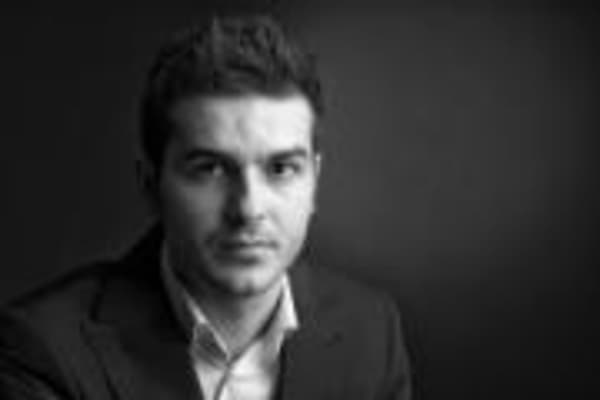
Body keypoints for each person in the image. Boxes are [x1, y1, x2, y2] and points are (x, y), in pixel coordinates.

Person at [0, 14, 412, 400]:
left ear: (314, 181)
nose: (248, 209)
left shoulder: (371, 333)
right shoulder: (43, 350)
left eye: (281, 168)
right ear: (151, 185)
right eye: (210, 169)